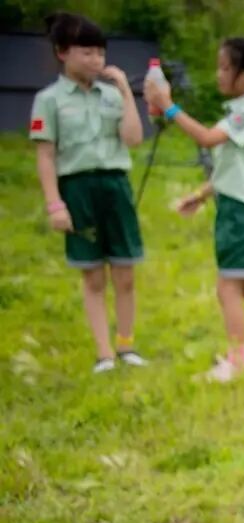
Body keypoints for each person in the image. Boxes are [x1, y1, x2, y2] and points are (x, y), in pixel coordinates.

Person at [143, 37, 244, 382]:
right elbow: (233, 169)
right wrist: (201, 195)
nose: (219, 74)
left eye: (226, 67)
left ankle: (237, 360)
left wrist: (168, 107)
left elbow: (207, 138)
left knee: (228, 288)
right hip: (241, 212)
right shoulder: (241, 110)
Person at [30, 12, 147, 374]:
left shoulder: (112, 95)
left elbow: (133, 139)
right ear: (62, 52)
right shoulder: (48, 100)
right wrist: (55, 204)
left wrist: (125, 90)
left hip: (116, 187)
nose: (96, 60)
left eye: (100, 52)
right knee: (93, 276)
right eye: (87, 52)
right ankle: (104, 354)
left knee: (125, 273)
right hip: (77, 189)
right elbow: (45, 155)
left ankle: (126, 346)